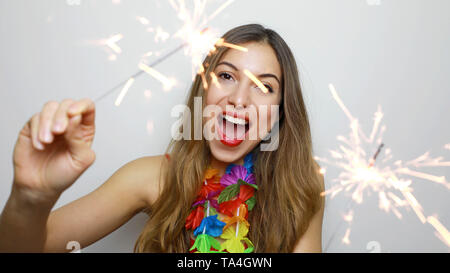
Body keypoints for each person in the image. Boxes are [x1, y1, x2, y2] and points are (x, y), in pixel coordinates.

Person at [0, 24, 324, 253]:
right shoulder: (152, 177)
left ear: (280, 112)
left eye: (263, 86)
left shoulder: (300, 185)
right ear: (203, 89)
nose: (239, 100)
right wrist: (30, 196)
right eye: (226, 76)